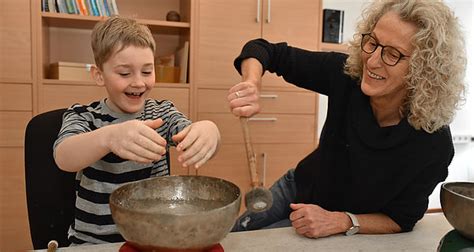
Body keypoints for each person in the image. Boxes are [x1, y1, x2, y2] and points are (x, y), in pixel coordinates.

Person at [228, 0, 466, 238]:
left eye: (393, 54)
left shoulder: (433, 145)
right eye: (372, 42)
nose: (372, 61)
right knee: (236, 235)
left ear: (423, 69)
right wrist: (252, 82)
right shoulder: (347, 75)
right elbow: (264, 50)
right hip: (296, 185)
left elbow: (401, 219)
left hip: (333, 226)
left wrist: (342, 221)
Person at [53, 16, 220, 245]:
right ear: (99, 75)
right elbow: (64, 157)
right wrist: (109, 137)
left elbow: (192, 133)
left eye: (147, 71)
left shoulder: (162, 113)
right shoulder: (84, 116)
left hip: (154, 240)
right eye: (124, 73)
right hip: (95, 243)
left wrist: (210, 131)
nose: (139, 82)